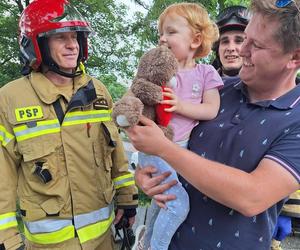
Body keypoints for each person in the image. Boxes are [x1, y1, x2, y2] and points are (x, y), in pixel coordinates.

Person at [127, 0, 300, 249]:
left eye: (255, 44)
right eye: (244, 39)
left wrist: (163, 149)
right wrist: (146, 175)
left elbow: (252, 196)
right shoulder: (218, 91)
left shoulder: (295, 118)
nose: (241, 51)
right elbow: (163, 133)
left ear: (294, 57)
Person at [0, 0, 138, 249]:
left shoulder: (97, 91)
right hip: (49, 245)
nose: (72, 45)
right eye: (60, 37)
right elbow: (3, 174)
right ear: (38, 44)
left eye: (75, 37)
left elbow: (115, 150)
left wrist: (127, 198)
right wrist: (7, 238)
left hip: (103, 240)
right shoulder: (10, 99)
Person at [136, 3, 223, 250]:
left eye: (171, 32)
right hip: (156, 149)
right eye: (161, 33)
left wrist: (180, 105)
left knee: (161, 201)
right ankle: (157, 247)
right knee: (177, 204)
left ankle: (146, 241)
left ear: (195, 40)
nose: (163, 38)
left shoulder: (206, 72)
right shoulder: (158, 71)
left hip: (180, 151)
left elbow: (211, 109)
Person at [212, 5, 251, 85]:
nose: (231, 48)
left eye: (239, 41)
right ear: (217, 49)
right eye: (225, 41)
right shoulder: (199, 87)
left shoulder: (270, 87)